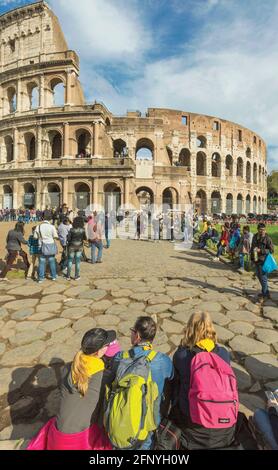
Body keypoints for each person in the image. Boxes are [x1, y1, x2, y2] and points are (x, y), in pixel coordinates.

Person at [27, 328, 115, 450]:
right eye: (107, 345)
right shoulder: (100, 374)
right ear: (99, 351)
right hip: (79, 442)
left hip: (57, 437)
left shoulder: (69, 368)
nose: (109, 347)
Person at [170, 312, 238, 450]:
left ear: (189, 329)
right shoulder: (223, 353)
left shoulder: (181, 355)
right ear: (211, 328)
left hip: (192, 426)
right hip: (224, 426)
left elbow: (175, 387)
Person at [106, 316, 173, 449]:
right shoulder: (162, 361)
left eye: (132, 331)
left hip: (120, 419)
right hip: (149, 423)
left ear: (136, 335)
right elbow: (171, 379)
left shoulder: (119, 358)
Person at [251, 223, 274, 300]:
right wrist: (252, 259)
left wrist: (261, 250)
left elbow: (271, 250)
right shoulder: (255, 237)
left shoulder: (267, 238)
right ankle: (266, 292)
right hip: (256, 259)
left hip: (263, 260)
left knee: (263, 277)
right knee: (258, 275)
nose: (262, 231)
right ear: (258, 230)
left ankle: (264, 294)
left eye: (264, 230)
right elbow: (252, 247)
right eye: (261, 230)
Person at [34, 212, 59, 283]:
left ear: (43, 218)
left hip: (41, 245)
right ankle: (53, 276)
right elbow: (55, 236)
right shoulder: (52, 227)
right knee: (52, 261)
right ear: (50, 219)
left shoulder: (38, 227)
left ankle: (41, 278)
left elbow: (35, 237)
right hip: (50, 245)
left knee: (42, 262)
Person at [66, 216, 87, 281]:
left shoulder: (71, 229)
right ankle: (76, 276)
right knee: (77, 261)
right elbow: (85, 238)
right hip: (80, 246)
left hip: (72, 246)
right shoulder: (83, 229)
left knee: (70, 260)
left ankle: (68, 276)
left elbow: (68, 239)